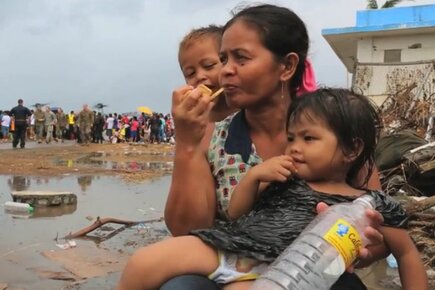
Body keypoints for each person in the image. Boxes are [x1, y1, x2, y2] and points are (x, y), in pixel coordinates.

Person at [163, 6, 387, 290]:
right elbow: (186, 230)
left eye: (240, 58)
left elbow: (381, 232)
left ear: (287, 67)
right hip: (228, 269)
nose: (225, 71)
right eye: (223, 59)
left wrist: (365, 248)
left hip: (306, 272)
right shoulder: (212, 136)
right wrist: (186, 144)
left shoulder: (336, 132)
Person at [118, 88, 428, 290]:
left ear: (351, 148)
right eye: (291, 137)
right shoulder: (284, 177)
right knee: (144, 262)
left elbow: (406, 253)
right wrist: (254, 177)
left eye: (309, 139)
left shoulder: (369, 205)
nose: (294, 147)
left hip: (283, 273)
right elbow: (238, 213)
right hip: (231, 247)